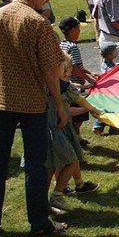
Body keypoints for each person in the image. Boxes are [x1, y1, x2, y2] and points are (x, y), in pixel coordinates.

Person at [0, 0, 68, 237]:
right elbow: (51, 69)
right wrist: (60, 106)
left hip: (3, 101)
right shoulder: (37, 22)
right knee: (35, 166)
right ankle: (39, 223)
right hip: (32, 105)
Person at [47, 54, 101, 213]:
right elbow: (80, 100)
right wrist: (93, 109)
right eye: (64, 68)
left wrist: (86, 109)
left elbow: (67, 109)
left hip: (49, 128)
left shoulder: (48, 84)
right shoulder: (64, 87)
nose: (68, 72)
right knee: (71, 160)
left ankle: (60, 192)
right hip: (58, 129)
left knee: (54, 164)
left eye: (69, 68)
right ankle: (57, 194)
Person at [58, 16, 99, 142]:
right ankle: (76, 137)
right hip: (74, 84)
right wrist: (89, 80)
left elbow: (78, 65)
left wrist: (90, 71)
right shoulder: (72, 47)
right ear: (72, 30)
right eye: (78, 28)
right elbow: (75, 68)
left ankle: (77, 136)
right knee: (79, 115)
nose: (79, 31)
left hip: (67, 82)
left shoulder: (63, 44)